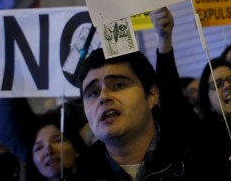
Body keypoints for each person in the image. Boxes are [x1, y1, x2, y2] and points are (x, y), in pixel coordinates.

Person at [71, 48, 198, 180]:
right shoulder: (79, 176)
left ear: (152, 95)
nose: (103, 97)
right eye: (93, 93)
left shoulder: (203, 159)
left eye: (118, 85)